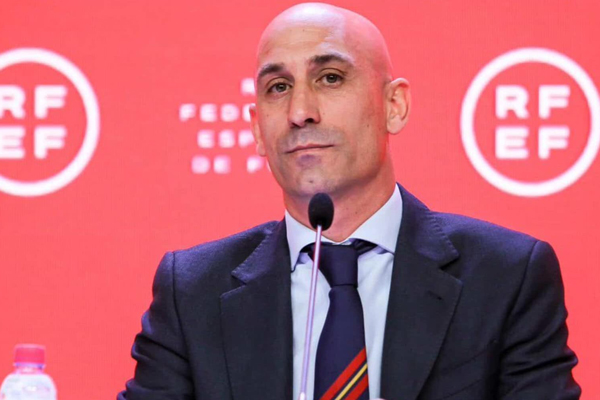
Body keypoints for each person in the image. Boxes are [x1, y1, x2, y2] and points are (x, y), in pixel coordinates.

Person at [118, 3, 581, 400]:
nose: (301, 112)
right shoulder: (192, 292)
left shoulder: (506, 276)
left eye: (330, 78)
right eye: (278, 87)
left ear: (394, 106)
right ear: (257, 129)